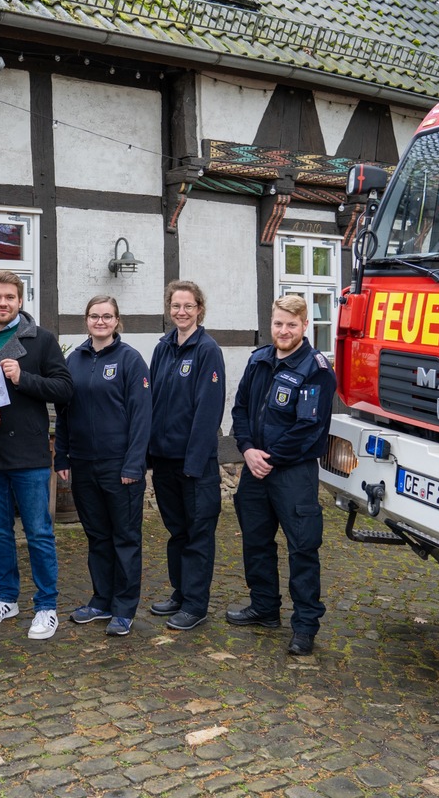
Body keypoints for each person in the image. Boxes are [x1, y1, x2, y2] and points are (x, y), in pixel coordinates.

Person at [0, 270, 73, 640]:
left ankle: (46, 605)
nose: (2, 303)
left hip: (30, 453)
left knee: (39, 532)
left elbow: (65, 389)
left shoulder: (42, 341)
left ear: (20, 301)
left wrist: (25, 378)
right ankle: (6, 597)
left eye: (9, 297)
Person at [227, 294, 336, 656]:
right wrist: (246, 449)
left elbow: (308, 427)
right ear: (271, 323)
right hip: (255, 468)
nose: (284, 330)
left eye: (291, 324)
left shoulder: (316, 369)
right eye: (278, 323)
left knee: (303, 548)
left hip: (293, 473)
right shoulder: (259, 360)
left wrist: (268, 457)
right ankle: (264, 608)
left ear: (305, 326)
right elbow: (240, 408)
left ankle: (304, 625)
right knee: (255, 542)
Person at [54, 296, 151, 637]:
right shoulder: (74, 360)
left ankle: (124, 608)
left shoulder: (130, 360)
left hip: (120, 466)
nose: (100, 321)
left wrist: (133, 465)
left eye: (106, 316)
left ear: (116, 321)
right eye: (94, 316)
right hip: (82, 464)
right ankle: (101, 600)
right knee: (97, 536)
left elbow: (142, 418)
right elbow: (64, 413)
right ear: (86, 320)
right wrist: (62, 456)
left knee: (125, 538)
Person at [147, 280, 226, 631]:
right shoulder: (162, 348)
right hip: (164, 461)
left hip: (195, 465)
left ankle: (196, 604)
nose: (181, 312)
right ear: (169, 309)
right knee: (176, 532)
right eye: (176, 306)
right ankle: (180, 593)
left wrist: (194, 463)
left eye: (188, 306)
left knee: (198, 534)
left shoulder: (207, 350)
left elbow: (208, 413)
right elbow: (151, 404)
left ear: (199, 309)